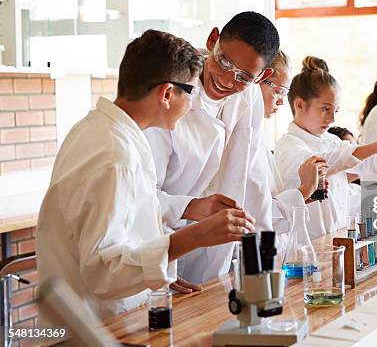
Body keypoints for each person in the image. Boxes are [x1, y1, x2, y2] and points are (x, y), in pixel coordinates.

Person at [36, 30, 255, 319]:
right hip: (94, 328)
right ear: (167, 94)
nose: (192, 104)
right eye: (191, 92)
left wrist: (156, 269)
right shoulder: (116, 157)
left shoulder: (103, 132)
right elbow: (102, 271)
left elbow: (129, 227)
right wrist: (195, 236)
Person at [145, 11, 280, 284]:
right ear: (212, 40)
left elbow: (251, 180)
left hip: (213, 252)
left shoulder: (250, 96)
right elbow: (142, 196)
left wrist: (265, 262)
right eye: (224, 61)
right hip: (155, 239)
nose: (228, 80)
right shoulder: (171, 88)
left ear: (261, 76)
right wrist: (193, 208)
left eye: (244, 76)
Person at [274, 56, 377, 239]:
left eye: (335, 111)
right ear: (300, 105)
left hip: (340, 240)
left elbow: (366, 164)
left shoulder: (333, 141)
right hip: (306, 246)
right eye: (325, 109)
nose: (332, 119)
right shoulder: (288, 146)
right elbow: (326, 161)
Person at [259, 50, 327, 248]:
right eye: (278, 91)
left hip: (272, 248)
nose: (281, 101)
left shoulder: (258, 138)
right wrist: (304, 191)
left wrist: (302, 196)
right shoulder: (288, 145)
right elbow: (257, 217)